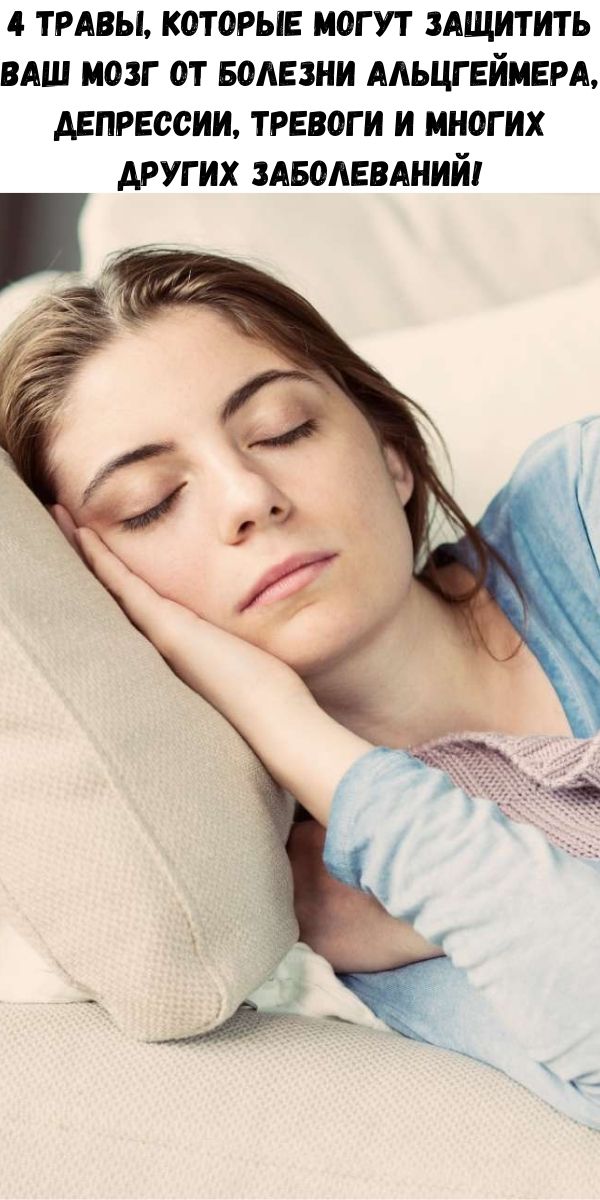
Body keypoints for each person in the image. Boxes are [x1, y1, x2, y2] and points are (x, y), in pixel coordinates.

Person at [1, 245, 599, 1131]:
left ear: (392, 454)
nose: (248, 495)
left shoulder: (584, 501)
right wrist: (310, 747)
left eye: (283, 430)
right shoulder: (349, 898)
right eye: (151, 502)